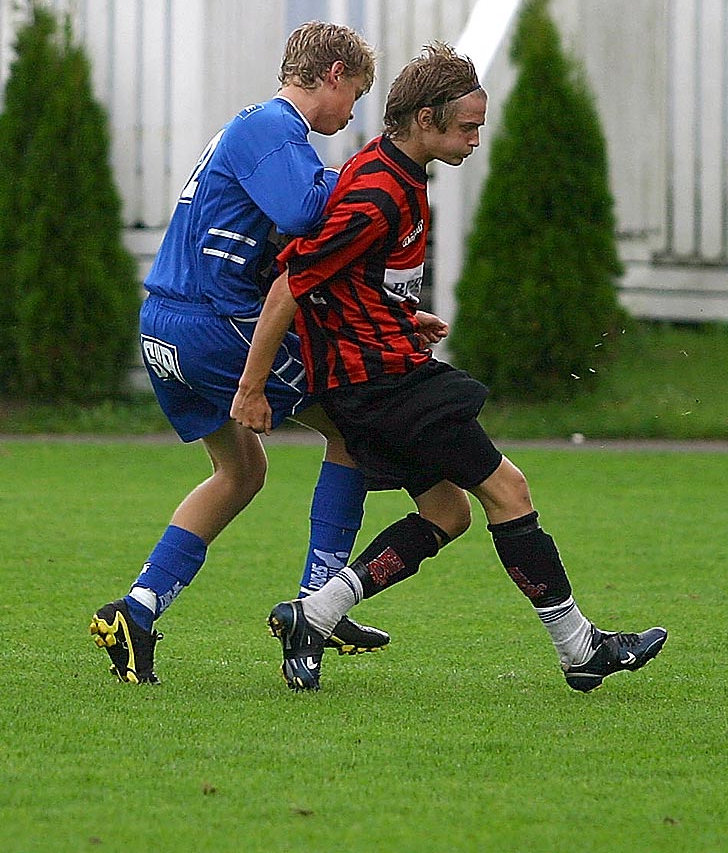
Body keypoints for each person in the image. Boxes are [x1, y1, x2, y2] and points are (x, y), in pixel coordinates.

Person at [230, 42, 667, 693]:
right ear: (426, 120)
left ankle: (311, 617)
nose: (476, 139)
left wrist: (403, 317)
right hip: (383, 384)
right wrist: (252, 389)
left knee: (449, 513)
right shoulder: (377, 192)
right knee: (509, 492)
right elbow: (293, 282)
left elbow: (350, 280)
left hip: (382, 372)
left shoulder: (394, 172)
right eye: (468, 126)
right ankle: (581, 649)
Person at [90, 22, 401, 684]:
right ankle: (319, 608)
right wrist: (364, 175)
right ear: (336, 73)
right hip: (208, 322)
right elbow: (304, 214)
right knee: (350, 430)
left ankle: (136, 612)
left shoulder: (258, 130)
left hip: (167, 324)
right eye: (356, 96)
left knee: (241, 472)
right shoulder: (271, 128)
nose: (352, 114)